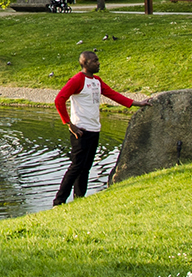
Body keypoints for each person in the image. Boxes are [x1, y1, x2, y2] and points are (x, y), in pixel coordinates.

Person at [51, 50, 151, 206]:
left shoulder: (97, 81)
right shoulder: (77, 80)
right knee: (76, 166)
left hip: (94, 129)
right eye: (94, 61)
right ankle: (59, 201)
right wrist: (70, 124)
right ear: (85, 63)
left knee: (86, 167)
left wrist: (137, 103)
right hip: (81, 130)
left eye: (98, 60)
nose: (98, 63)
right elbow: (59, 100)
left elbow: (113, 95)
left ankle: (79, 199)